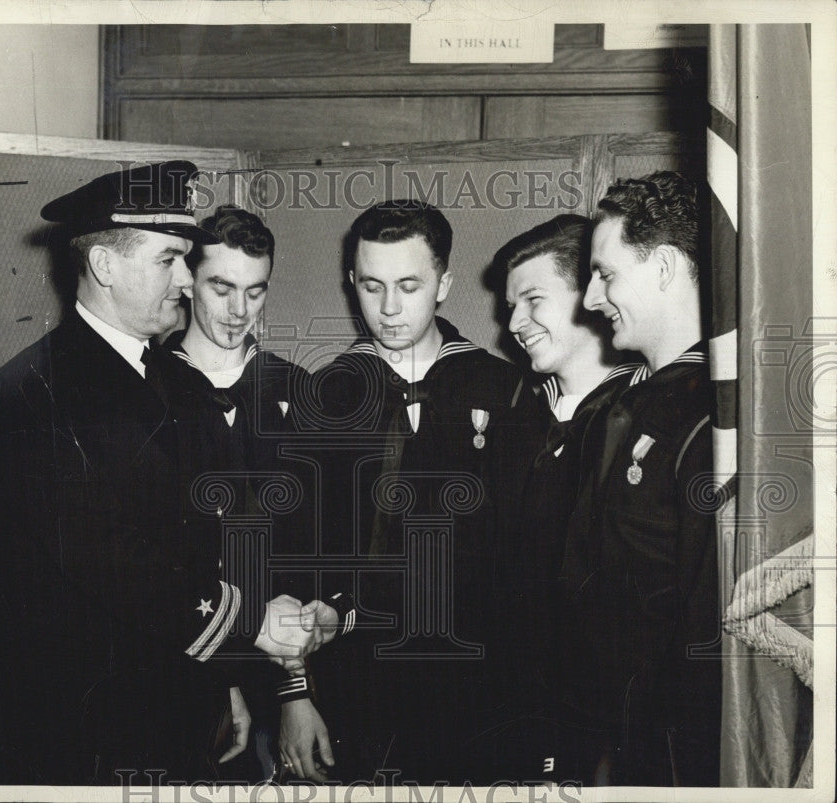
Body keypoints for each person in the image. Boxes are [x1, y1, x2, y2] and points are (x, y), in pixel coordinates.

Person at [0, 162, 327, 785]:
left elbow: (201, 542)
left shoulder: (170, 379)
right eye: (169, 260)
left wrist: (224, 687)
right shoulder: (35, 393)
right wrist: (251, 625)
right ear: (106, 266)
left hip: (175, 706)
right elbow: (110, 559)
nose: (186, 282)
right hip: (85, 732)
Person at [282, 200, 543, 785]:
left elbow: (529, 564)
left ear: (444, 283)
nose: (390, 309)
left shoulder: (505, 390)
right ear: (351, 284)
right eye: (372, 287)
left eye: (409, 285)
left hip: (480, 687)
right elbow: (290, 558)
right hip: (355, 684)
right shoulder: (322, 398)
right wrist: (292, 694)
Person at [154, 205, 353, 780]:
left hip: (291, 683)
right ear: (189, 280)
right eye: (222, 288)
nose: (239, 311)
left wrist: (295, 689)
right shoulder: (149, 390)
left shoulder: (298, 391)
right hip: (186, 678)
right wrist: (224, 685)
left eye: (255, 291)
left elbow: (320, 552)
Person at [560, 172, 721, 785]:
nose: (590, 301)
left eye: (606, 274)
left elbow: (703, 632)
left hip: (671, 753)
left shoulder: (714, 418)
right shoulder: (627, 405)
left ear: (665, 267)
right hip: (610, 734)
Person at [485, 214, 648, 781]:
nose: (514, 324)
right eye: (510, 306)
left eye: (533, 299)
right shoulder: (513, 417)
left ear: (591, 293)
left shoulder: (637, 423)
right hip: (507, 717)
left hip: (595, 729)